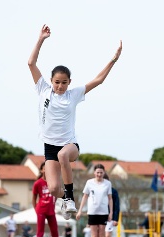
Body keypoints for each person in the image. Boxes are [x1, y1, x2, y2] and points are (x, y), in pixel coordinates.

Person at [28, 24, 122, 220]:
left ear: (69, 82)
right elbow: (31, 63)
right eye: (57, 82)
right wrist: (41, 39)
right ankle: (65, 200)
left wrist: (113, 60)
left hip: (69, 145)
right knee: (53, 188)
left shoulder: (74, 94)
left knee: (64, 155)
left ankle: (69, 197)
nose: (60, 86)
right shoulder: (43, 90)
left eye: (64, 82)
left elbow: (98, 80)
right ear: (51, 81)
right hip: (50, 146)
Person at [32, 161, 74, 237]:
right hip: (41, 210)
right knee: (40, 234)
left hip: (51, 211)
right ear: (42, 170)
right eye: (45, 167)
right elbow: (33, 198)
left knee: (55, 234)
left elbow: (60, 194)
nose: (48, 169)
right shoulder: (38, 183)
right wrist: (36, 209)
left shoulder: (55, 182)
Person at [76, 164, 113, 237]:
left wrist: (111, 213)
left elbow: (110, 199)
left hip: (103, 212)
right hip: (92, 212)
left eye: (101, 172)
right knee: (94, 236)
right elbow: (84, 196)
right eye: (97, 172)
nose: (99, 174)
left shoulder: (107, 184)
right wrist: (80, 211)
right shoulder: (89, 183)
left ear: (104, 173)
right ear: (94, 173)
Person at [103, 173, 120, 237]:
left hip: (110, 217)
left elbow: (117, 206)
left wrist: (116, 218)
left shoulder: (113, 191)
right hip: (100, 216)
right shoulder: (99, 191)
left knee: (107, 236)